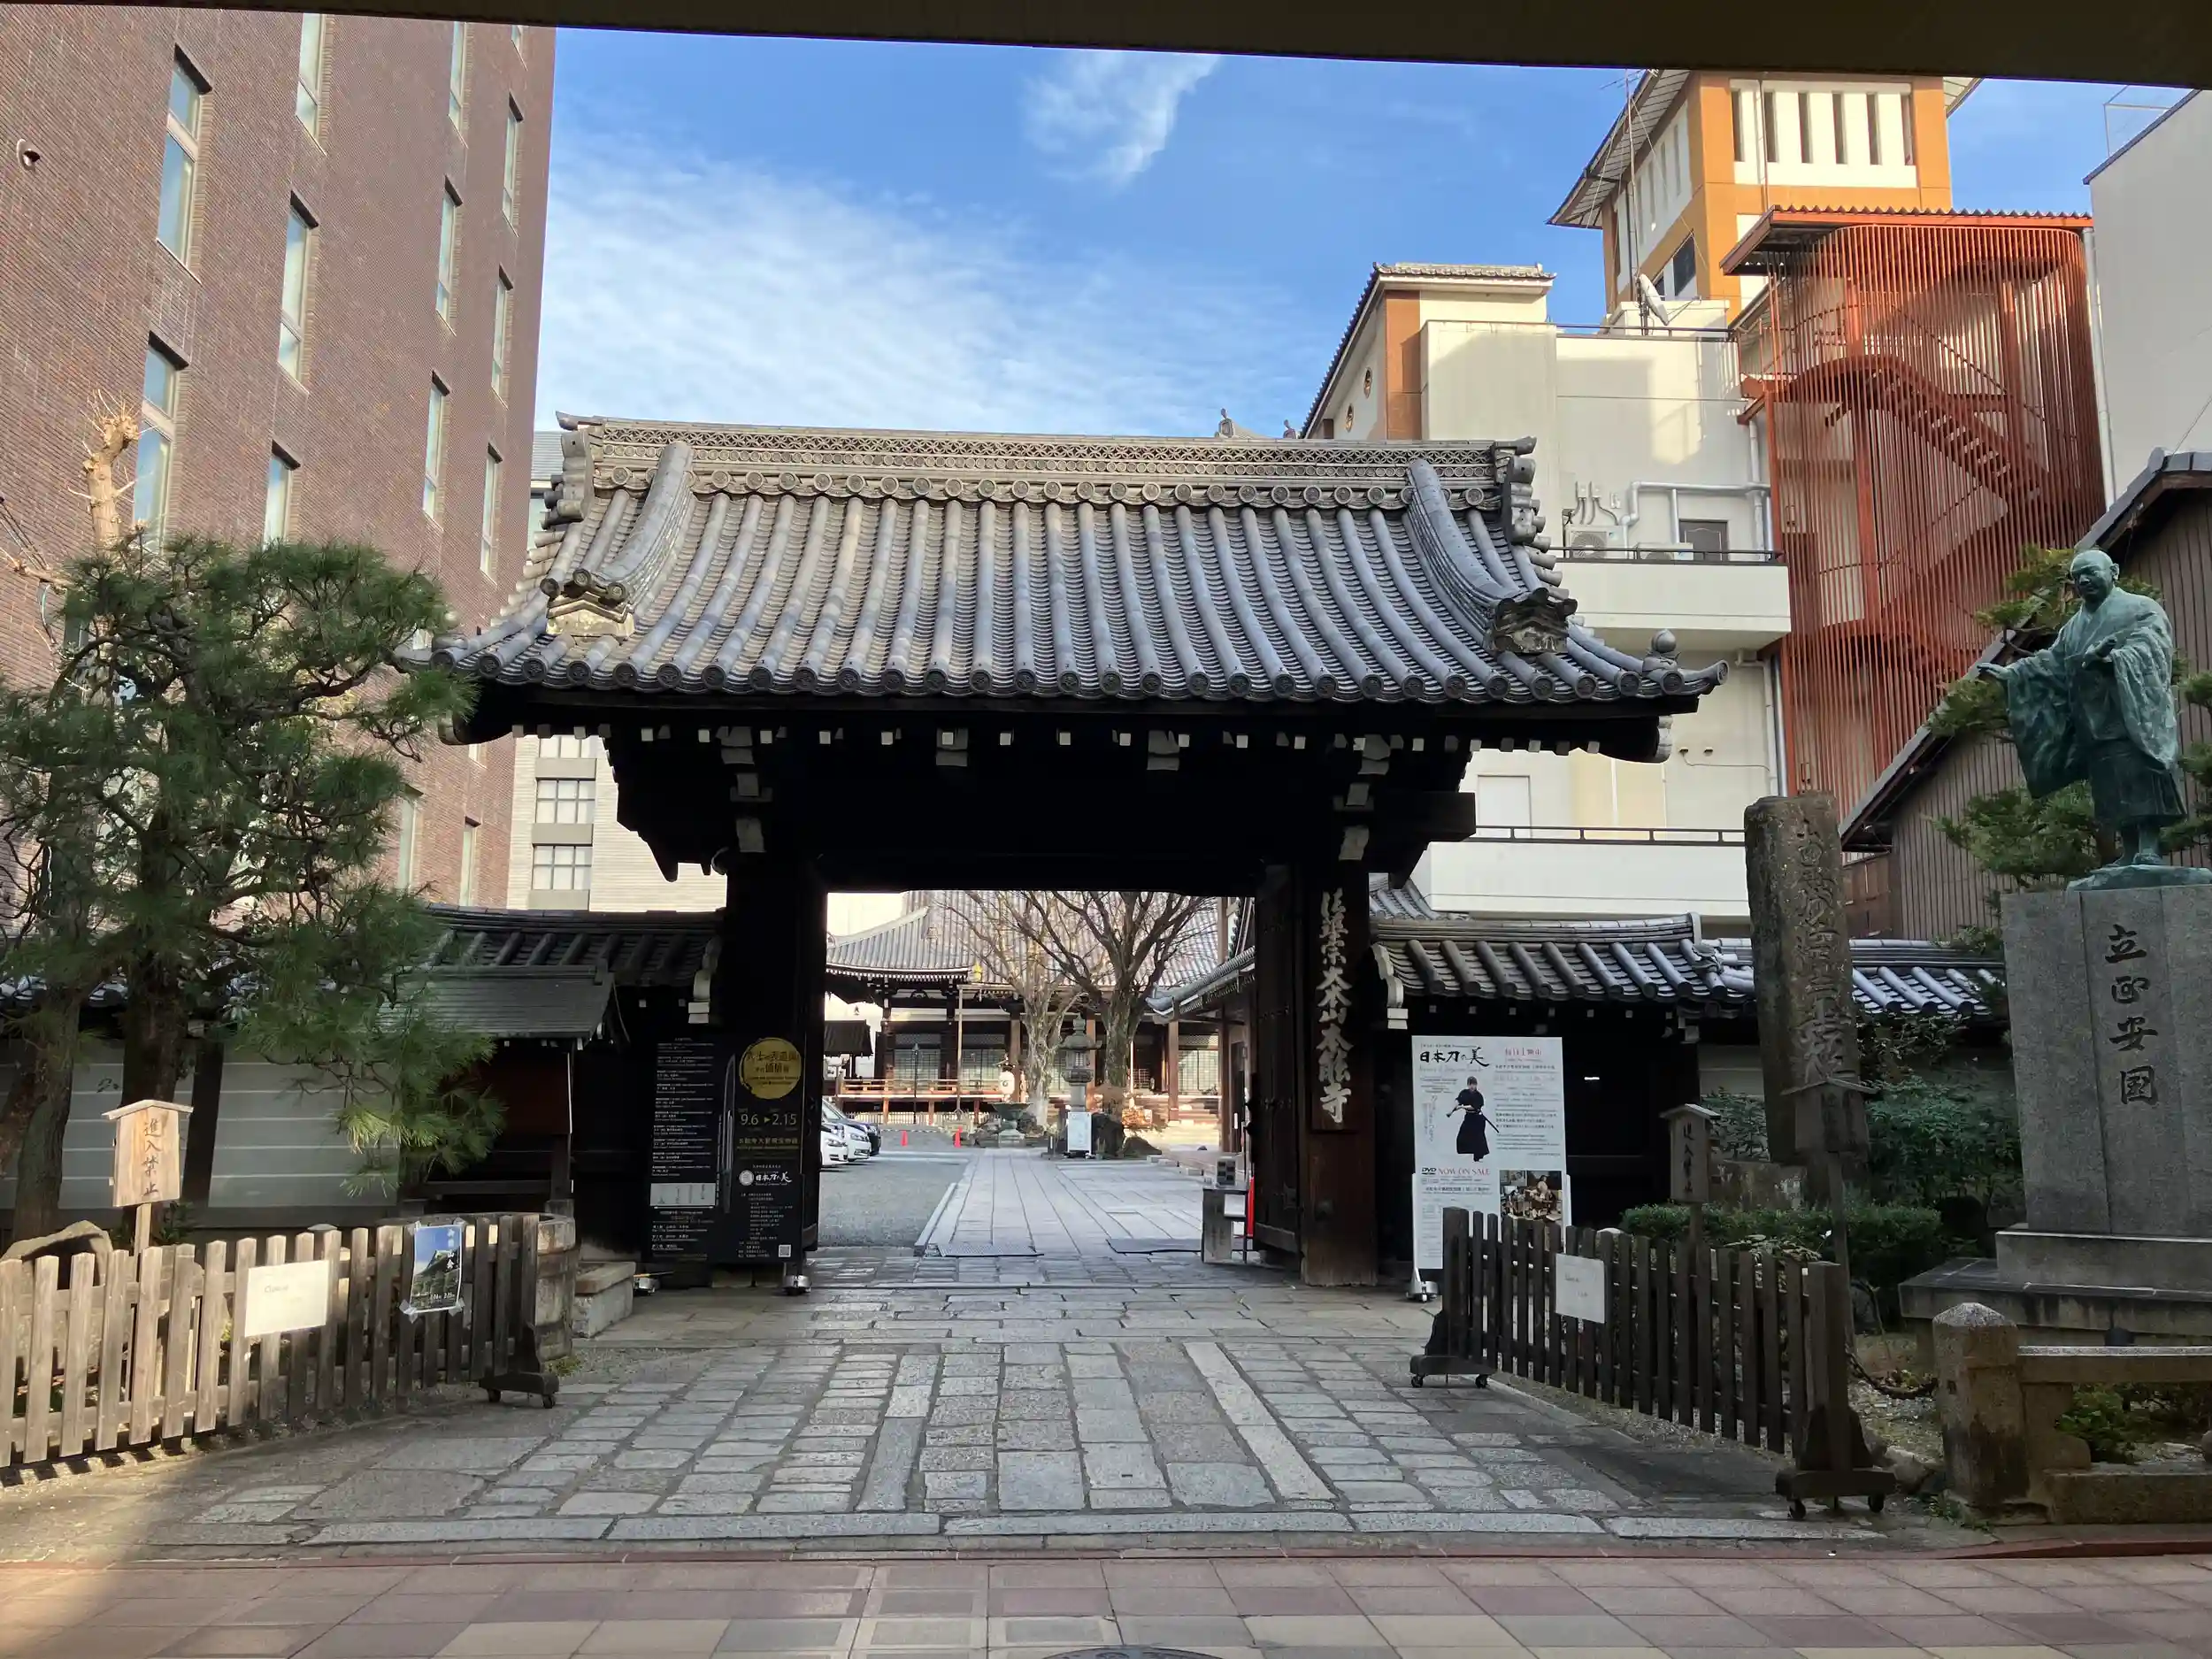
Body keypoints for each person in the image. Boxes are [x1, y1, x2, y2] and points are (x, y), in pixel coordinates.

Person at [1976, 549, 2192, 874]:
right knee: (2111, 785)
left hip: (2131, 714)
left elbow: (2153, 647)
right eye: (2078, 577)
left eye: (2090, 572)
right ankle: (2129, 848)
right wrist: (2015, 674)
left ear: (2114, 572)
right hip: (2093, 721)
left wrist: (2114, 659)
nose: (2084, 581)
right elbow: (2053, 661)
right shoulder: (2074, 627)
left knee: (2141, 777)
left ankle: (2149, 846)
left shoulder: (2141, 609)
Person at [1451, 1076, 1493, 1160]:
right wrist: (1455, 1106)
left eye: (1473, 1084)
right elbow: (1459, 1100)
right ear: (1468, 1085)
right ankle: (1467, 1152)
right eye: (1470, 1084)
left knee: (1478, 1137)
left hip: (1478, 1118)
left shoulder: (1478, 1096)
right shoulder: (1464, 1093)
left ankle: (1478, 1156)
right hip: (1468, 1117)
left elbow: (1473, 1107)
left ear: (1476, 1085)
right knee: (1462, 1136)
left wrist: (1462, 1107)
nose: (1472, 1086)